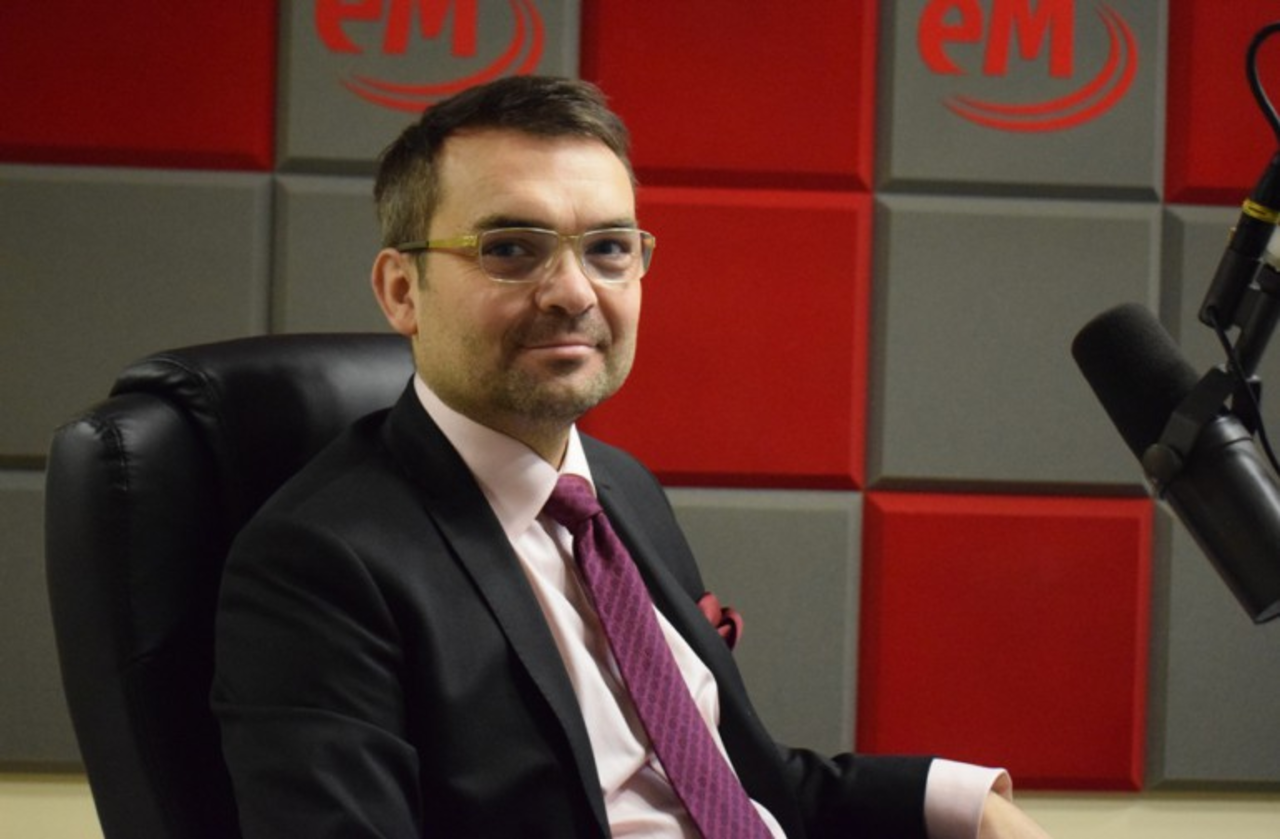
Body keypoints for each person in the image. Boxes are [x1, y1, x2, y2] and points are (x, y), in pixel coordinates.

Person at [212, 75, 1053, 839]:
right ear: (402, 291)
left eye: (609, 247)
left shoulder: (618, 489)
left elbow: (734, 781)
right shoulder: (319, 563)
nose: (574, 291)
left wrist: (968, 804)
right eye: (511, 248)